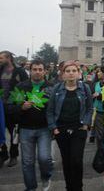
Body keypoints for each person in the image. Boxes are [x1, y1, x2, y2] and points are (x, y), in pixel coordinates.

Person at [47, 61, 93, 191]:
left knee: (76, 161)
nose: (71, 73)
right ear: (63, 75)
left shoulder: (85, 88)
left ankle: (78, 187)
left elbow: (90, 107)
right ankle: (69, 187)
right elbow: (50, 110)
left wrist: (86, 124)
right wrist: (54, 128)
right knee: (66, 161)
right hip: (61, 130)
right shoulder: (57, 89)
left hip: (79, 129)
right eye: (68, 71)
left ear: (79, 73)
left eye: (74, 71)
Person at [15, 59, 53, 191]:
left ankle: (46, 177)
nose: (37, 72)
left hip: (45, 129)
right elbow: (13, 107)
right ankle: (31, 188)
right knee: (27, 162)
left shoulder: (51, 87)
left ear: (45, 71)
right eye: (34, 69)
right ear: (30, 71)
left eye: (40, 69)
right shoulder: (21, 86)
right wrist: (22, 107)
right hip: (25, 129)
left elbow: (56, 109)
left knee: (44, 158)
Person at [0, 50, 29, 167]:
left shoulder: (19, 71)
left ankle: (13, 155)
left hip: (14, 107)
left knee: (14, 133)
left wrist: (21, 101)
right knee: (1, 132)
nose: (0, 60)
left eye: (1, 58)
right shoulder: (0, 70)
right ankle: (3, 154)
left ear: (9, 58)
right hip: (1, 106)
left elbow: (27, 85)